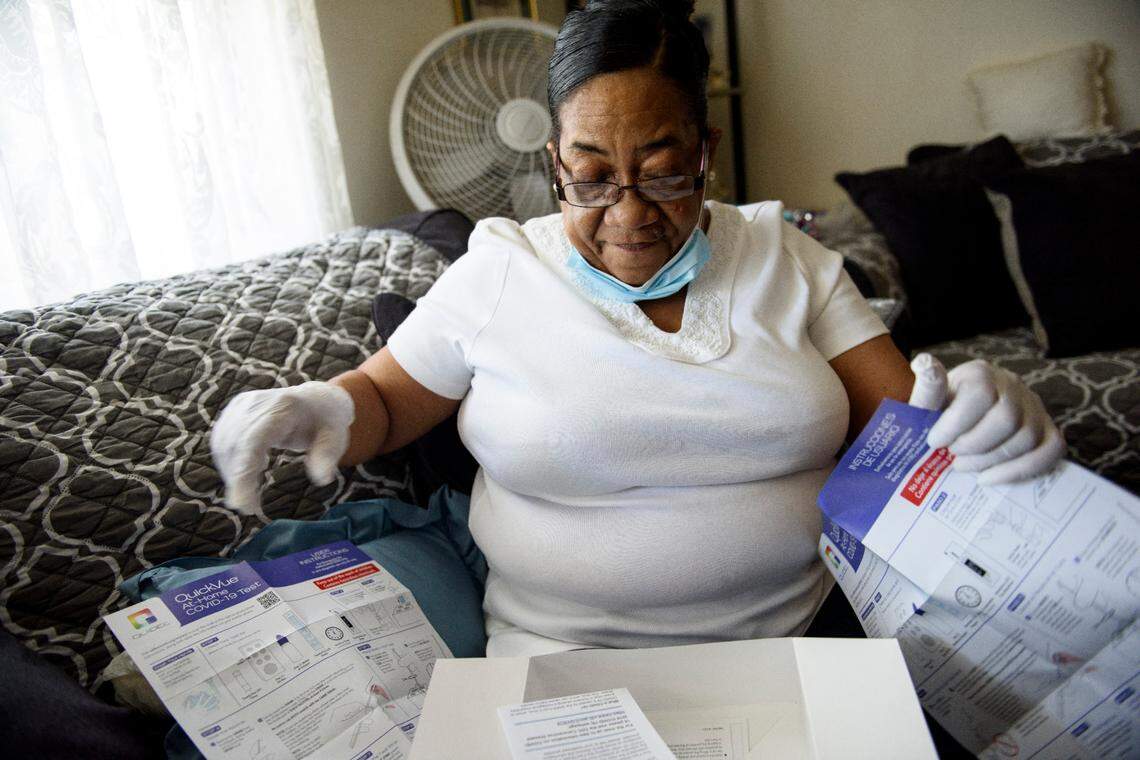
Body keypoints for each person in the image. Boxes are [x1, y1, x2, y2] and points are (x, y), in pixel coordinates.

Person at [210, 0, 1064, 658]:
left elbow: (913, 432)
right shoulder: (500, 272)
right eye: (589, 178)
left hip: (803, 642)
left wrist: (988, 417)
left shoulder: (789, 260)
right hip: (560, 659)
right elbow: (387, 400)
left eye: (662, 175)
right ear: (553, 163)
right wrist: (326, 406)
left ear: (706, 151)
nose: (628, 215)